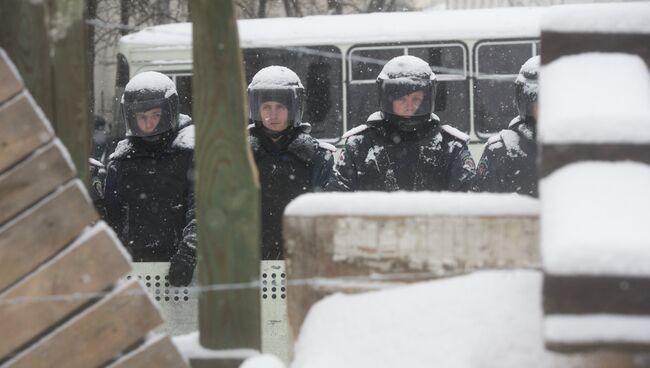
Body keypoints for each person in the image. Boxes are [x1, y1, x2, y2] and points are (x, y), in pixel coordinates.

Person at [326, 55, 476, 192]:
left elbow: (468, 201)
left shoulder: (450, 146)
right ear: (388, 99)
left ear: (427, 100)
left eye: (416, 99)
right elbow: (336, 199)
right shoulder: (359, 145)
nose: (409, 106)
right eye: (402, 99)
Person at [102, 71, 196, 287]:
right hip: (135, 266)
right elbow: (113, 217)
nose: (149, 124)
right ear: (131, 117)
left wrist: (189, 252)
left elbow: (201, 208)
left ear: (168, 112)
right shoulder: (121, 160)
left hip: (182, 266)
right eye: (141, 117)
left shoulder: (188, 153)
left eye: (155, 115)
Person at [247, 66, 336, 260]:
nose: (273, 114)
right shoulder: (241, 158)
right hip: (250, 263)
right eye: (266, 107)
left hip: (303, 261)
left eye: (280, 107)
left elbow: (328, 217)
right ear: (257, 110)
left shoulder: (319, 157)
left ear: (293, 109)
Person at [476, 56, 539, 197]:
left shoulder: (580, 149)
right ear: (527, 104)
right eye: (541, 103)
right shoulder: (499, 152)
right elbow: (483, 209)